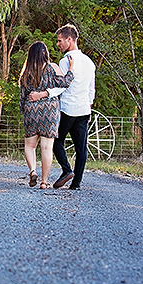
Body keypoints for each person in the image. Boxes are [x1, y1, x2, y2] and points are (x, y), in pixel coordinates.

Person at [28, 24, 96, 190]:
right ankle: (76, 183)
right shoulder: (89, 62)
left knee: (56, 141)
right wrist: (89, 106)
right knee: (81, 148)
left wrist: (42, 94)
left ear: (69, 40)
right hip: (83, 110)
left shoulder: (65, 61)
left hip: (66, 109)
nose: (58, 44)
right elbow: (91, 88)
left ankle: (66, 170)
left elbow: (61, 86)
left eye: (60, 41)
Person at [19, 41, 73, 189]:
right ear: (45, 53)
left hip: (31, 110)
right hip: (49, 111)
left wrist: (24, 111)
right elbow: (65, 83)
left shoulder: (26, 72)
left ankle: (33, 171)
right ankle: (44, 182)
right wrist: (71, 68)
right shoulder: (52, 67)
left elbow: (22, 96)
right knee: (47, 147)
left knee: (30, 145)